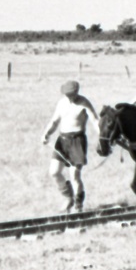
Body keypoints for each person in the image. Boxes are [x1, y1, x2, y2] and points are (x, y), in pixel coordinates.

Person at [42, 80, 98, 212]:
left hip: (77, 141)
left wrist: (104, 138)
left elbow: (95, 121)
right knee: (54, 172)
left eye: (71, 94)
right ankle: (68, 197)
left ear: (76, 92)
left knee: (75, 176)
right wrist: (46, 133)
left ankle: (78, 207)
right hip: (62, 141)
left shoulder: (84, 103)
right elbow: (54, 121)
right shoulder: (62, 103)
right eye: (66, 95)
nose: (69, 97)